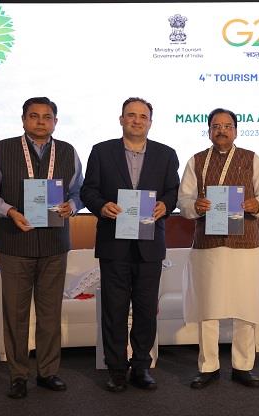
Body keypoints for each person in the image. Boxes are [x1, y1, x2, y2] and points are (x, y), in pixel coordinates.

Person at [0, 97, 84, 399]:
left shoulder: (68, 151)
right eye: (34, 116)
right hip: (14, 244)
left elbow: (80, 191)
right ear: (23, 120)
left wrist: (72, 205)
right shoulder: (2, 149)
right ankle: (18, 375)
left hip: (54, 245)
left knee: (50, 314)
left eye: (47, 117)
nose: (40, 121)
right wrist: (9, 211)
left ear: (55, 122)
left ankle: (48, 372)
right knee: (15, 315)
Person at [80, 97, 179, 392]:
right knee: (114, 309)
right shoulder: (101, 151)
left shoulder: (166, 154)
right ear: (121, 119)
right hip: (114, 243)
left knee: (146, 309)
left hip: (149, 244)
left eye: (142, 116)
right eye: (131, 115)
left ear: (150, 122)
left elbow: (173, 191)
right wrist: (101, 206)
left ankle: (141, 366)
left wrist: (165, 205)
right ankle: (116, 369)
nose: (137, 120)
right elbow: (88, 190)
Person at [177, 108, 259, 389]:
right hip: (208, 245)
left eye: (227, 126)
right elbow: (183, 201)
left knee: (245, 306)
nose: (222, 131)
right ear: (208, 130)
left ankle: (243, 366)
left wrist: (257, 204)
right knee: (208, 307)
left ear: (236, 130)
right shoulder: (196, 161)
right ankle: (208, 367)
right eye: (216, 126)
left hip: (245, 244)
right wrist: (195, 206)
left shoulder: (251, 158)